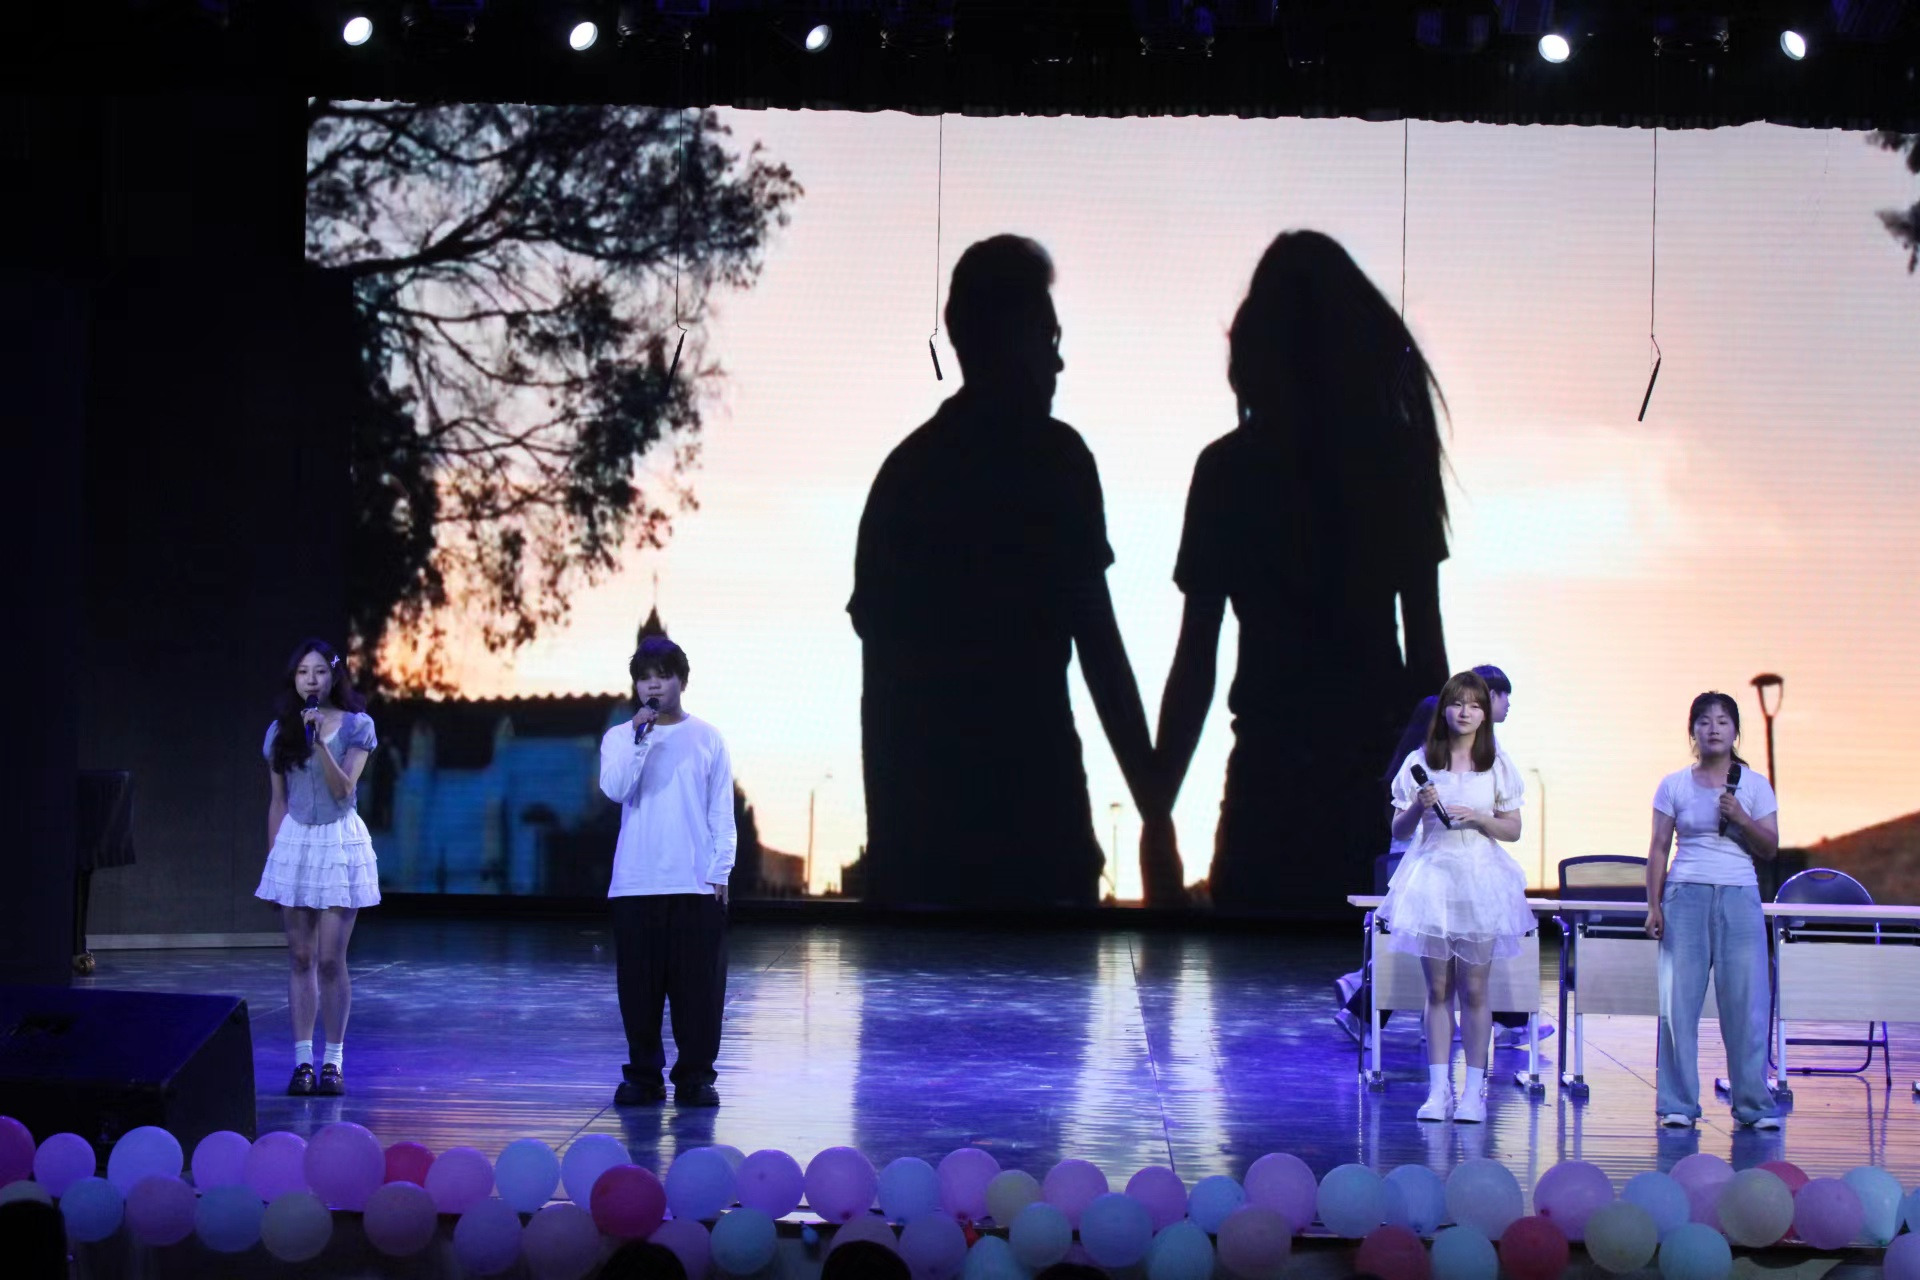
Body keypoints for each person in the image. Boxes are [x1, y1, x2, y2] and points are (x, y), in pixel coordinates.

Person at [849, 234, 1171, 908]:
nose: (1058, 360)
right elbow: (1101, 652)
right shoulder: (1056, 463)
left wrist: (890, 863)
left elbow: (880, 699)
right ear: (1013, 337)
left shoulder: (903, 480)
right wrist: (1155, 813)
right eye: (1048, 337)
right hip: (1042, 848)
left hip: (923, 861)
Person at [1147, 230, 1450, 916]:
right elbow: (1427, 667)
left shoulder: (1227, 472)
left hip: (1266, 798)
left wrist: (1157, 810)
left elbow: (1195, 666)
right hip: (1371, 796)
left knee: (1255, 975)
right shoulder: (1392, 466)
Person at [1379, 671, 1530, 1122]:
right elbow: (1398, 829)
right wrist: (1417, 806)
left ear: (1484, 714)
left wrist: (1480, 818)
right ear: (1444, 709)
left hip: (1479, 880)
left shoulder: (1496, 763)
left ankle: (1473, 1093)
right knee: (1438, 988)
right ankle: (1438, 1091)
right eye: (1457, 703)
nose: (1465, 712)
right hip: (1433, 879)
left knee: (1476, 988)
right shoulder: (1421, 761)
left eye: (1475, 705)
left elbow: (1513, 829)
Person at [598, 634, 736, 1108]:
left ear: (682, 681)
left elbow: (721, 812)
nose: (653, 686)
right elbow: (616, 789)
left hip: (695, 883)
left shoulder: (708, 738)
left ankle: (695, 1077)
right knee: (639, 990)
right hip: (636, 882)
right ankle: (643, 1077)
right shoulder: (621, 737)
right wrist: (641, 741)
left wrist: (721, 871)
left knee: (698, 991)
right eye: (644, 679)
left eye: (663, 676)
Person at [1644, 692, 1782, 1130]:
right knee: (1678, 1006)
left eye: (1723, 721)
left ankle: (1754, 1105)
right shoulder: (1673, 785)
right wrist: (1653, 906)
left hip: (1739, 895)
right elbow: (1658, 848)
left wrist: (1741, 817)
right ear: (1693, 732)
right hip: (1685, 895)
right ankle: (1678, 1104)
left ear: (1736, 731)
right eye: (1704, 721)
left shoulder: (1755, 785)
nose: (1714, 728)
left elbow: (1770, 847)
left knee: (1746, 1005)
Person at [256, 638, 379, 1097]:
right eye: (303, 672)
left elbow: (344, 790)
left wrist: (321, 742)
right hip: (296, 842)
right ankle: (303, 1062)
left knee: (330, 959)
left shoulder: (357, 726)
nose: (311, 680)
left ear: (334, 676)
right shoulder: (279, 732)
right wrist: (275, 866)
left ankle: (334, 1062)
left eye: (320, 672)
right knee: (301, 957)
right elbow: (277, 802)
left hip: (338, 843)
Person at [1333, 694, 1438, 1047]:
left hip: (1433, 866)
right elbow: (1403, 828)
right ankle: (1360, 1000)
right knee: (1417, 945)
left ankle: (1360, 992)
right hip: (1415, 865)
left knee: (1429, 947)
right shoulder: (1417, 764)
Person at [1471, 664, 1555, 1051]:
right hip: (1450, 862)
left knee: (1499, 939)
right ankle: (1363, 1005)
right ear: (1490, 695)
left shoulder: (1494, 752)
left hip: (1481, 862)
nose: (1508, 705)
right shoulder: (1458, 747)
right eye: (1505, 696)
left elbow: (1510, 825)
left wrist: (1483, 819)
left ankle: (1511, 1020)